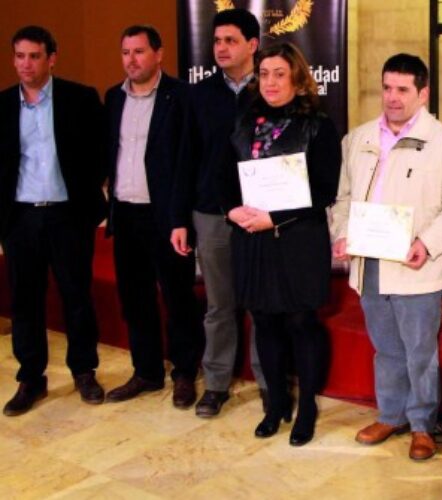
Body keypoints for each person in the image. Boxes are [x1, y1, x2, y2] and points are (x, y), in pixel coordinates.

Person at [330, 53, 442, 461]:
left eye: (402, 89)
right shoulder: (358, 139)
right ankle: (391, 415)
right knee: (386, 348)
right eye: (387, 88)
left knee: (420, 351)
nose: (392, 97)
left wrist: (427, 243)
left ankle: (422, 425)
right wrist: (342, 233)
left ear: (422, 93)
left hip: (417, 266)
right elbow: (342, 198)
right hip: (370, 262)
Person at [218, 41, 340, 446]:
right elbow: (223, 174)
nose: (270, 82)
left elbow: (324, 189)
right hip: (252, 238)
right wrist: (231, 209)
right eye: (264, 74)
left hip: (298, 240)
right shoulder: (244, 120)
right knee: (264, 321)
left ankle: (306, 408)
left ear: (298, 79)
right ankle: (276, 404)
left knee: (301, 322)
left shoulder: (319, 124)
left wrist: (276, 217)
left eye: (280, 74)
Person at [0, 26, 107, 416]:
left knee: (76, 296)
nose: (25, 64)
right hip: (21, 218)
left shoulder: (80, 99)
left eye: (34, 56)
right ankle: (31, 377)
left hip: (68, 216)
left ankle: (84, 370)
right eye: (19, 56)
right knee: (24, 300)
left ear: (51, 58)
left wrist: (86, 196)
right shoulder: (2, 105)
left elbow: (101, 151)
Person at [171, 8, 268, 417]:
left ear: (252, 45)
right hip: (211, 214)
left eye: (231, 40)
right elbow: (185, 158)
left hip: (262, 214)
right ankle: (215, 384)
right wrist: (179, 218)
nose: (221, 48)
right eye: (216, 41)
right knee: (219, 305)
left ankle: (270, 381)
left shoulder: (271, 88)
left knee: (263, 303)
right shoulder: (198, 95)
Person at [103, 25, 204, 409]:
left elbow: (188, 161)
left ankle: (184, 372)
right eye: (125, 52)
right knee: (135, 298)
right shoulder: (114, 97)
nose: (131, 59)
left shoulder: (182, 96)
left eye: (139, 51)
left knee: (178, 298)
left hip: (167, 218)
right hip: (126, 213)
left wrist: (181, 218)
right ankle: (146, 371)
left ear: (158, 54)